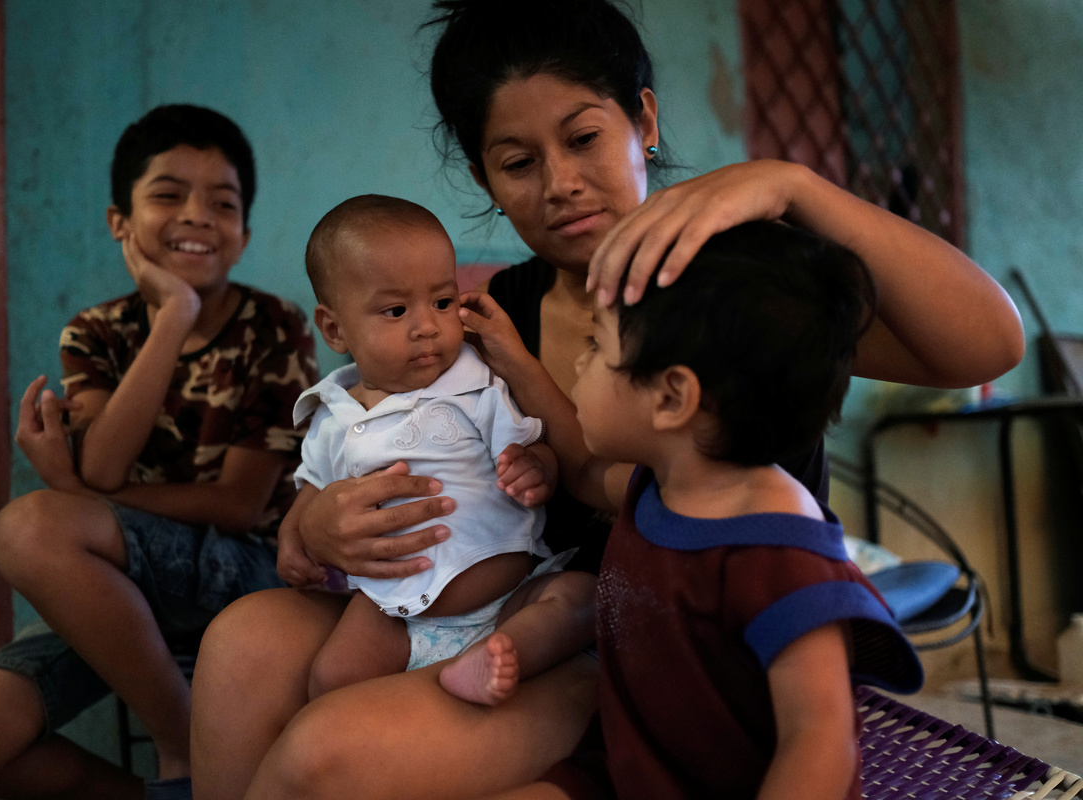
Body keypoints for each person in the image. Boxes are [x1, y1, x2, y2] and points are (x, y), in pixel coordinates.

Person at [189, 2, 1024, 798]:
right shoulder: (483, 317)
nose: (561, 183)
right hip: (493, 605)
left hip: (641, 648)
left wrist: (788, 185)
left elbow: (989, 345)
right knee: (242, 646)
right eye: (518, 163)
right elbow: (384, 432)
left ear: (644, 121)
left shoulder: (733, 293)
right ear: (484, 175)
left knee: (324, 757)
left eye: (584, 137)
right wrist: (316, 522)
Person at [0, 104, 318, 800]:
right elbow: (106, 464)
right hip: (131, 589)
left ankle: (181, 748)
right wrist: (174, 318)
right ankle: (174, 771)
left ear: (244, 235)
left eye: (221, 203)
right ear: (119, 223)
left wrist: (79, 496)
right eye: (168, 194)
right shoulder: (97, 332)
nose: (196, 216)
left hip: (250, 571)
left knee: (31, 527)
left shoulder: (273, 325)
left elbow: (236, 503)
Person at [469, 219, 924, 798]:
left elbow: (822, 740)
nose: (579, 365)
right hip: (624, 773)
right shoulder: (661, 485)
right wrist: (515, 361)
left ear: (672, 397)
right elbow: (582, 469)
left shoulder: (781, 555)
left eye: (596, 346)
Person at [290, 194, 594, 706]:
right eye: (396, 310)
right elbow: (314, 486)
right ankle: (386, 721)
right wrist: (293, 534)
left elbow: (532, 447)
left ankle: (497, 655)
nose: (427, 326)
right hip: (393, 607)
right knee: (331, 677)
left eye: (443, 303)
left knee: (579, 597)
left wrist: (536, 469)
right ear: (335, 329)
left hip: (507, 594)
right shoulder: (333, 411)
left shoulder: (477, 385)